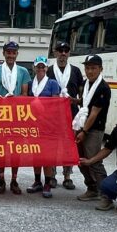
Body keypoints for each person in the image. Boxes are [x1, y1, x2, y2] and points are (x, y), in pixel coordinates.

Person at [0, 40, 30, 195]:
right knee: (1, 149)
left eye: (13, 52)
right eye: (8, 52)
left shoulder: (23, 72)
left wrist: (16, 100)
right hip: (0, 116)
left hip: (16, 116)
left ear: (17, 54)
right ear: (3, 53)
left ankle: (14, 179)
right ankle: (1, 179)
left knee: (15, 149)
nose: (11, 55)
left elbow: (25, 94)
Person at [74, 54, 111, 202]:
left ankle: (106, 194)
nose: (90, 71)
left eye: (93, 68)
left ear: (100, 69)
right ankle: (91, 188)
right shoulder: (85, 84)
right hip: (81, 126)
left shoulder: (103, 88)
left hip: (93, 130)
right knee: (80, 160)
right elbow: (84, 103)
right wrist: (72, 100)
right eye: (87, 68)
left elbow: (94, 113)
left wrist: (84, 131)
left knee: (94, 161)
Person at [47, 40, 83, 190]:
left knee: (69, 145)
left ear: (69, 53)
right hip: (53, 115)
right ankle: (52, 175)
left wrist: (79, 102)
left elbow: (82, 92)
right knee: (53, 145)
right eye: (60, 51)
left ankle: (67, 176)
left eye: (66, 51)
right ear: (55, 53)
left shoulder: (75, 71)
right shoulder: (49, 70)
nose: (63, 54)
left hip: (71, 113)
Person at [26, 56, 62, 198]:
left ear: (47, 68)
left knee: (47, 156)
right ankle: (37, 181)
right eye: (38, 67)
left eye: (43, 67)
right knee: (36, 154)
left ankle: (47, 183)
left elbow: (55, 104)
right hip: (33, 124)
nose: (40, 69)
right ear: (34, 68)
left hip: (48, 125)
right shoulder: (30, 84)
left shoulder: (52, 83)